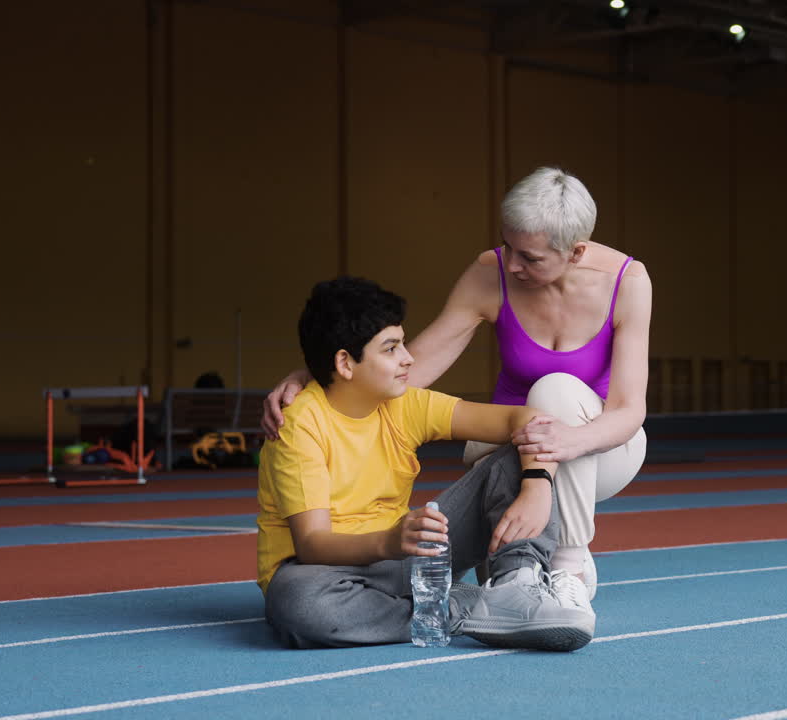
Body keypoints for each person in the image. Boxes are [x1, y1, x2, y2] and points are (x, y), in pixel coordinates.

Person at [263, 167, 652, 600]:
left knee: (554, 394)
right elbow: (415, 365)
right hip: (513, 448)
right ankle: (501, 592)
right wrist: (323, 372)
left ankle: (570, 566)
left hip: (603, 446)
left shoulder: (628, 282)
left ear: (576, 252)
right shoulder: (491, 274)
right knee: (506, 556)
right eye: (507, 246)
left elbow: (629, 409)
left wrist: (563, 447)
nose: (511, 263)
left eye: (530, 258)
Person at [258, 276, 595, 651]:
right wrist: (390, 541)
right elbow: (312, 544)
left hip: (406, 558)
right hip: (329, 572)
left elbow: (528, 421)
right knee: (298, 603)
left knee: (518, 456)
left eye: (402, 343)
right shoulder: (299, 424)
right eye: (391, 349)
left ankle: (515, 587)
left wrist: (536, 484)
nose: (408, 358)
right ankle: (460, 608)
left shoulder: (405, 403)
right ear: (345, 363)